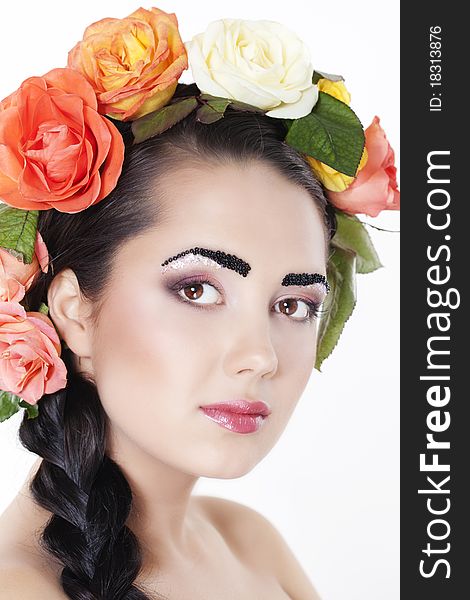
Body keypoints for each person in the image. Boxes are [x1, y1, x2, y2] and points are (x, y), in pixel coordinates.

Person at [0, 8, 399, 599]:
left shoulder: (249, 543)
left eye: (293, 304)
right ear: (75, 311)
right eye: (197, 290)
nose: (260, 356)